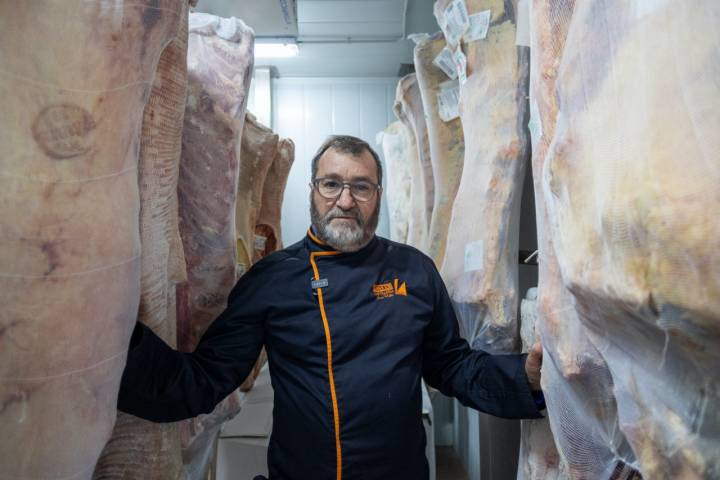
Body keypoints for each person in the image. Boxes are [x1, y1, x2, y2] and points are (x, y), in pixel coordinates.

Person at [118, 135, 545, 480]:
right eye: (332, 184)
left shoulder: (414, 270)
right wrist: (114, 340)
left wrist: (523, 376)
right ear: (313, 191)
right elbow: (203, 380)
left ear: (378, 195)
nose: (345, 200)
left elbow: (453, 367)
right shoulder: (272, 280)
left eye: (361, 186)